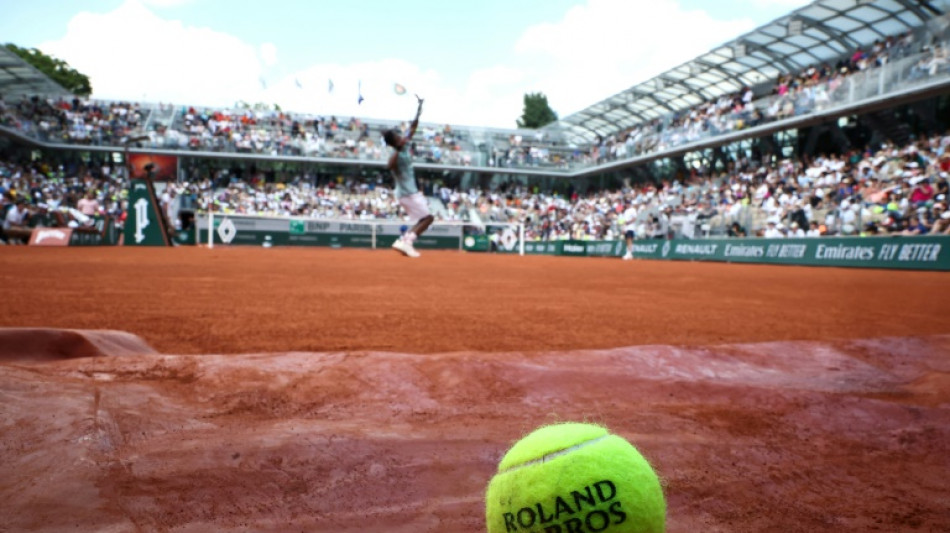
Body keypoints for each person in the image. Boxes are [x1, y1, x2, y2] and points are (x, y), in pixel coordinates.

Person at [383, 95, 433, 258]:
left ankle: (405, 241)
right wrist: (397, 150)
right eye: (398, 138)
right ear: (394, 143)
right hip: (408, 193)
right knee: (428, 218)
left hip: (408, 193)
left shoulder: (404, 145)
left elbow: (413, 127)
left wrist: (419, 109)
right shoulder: (396, 154)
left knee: (423, 219)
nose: (402, 138)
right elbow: (389, 166)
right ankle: (407, 241)